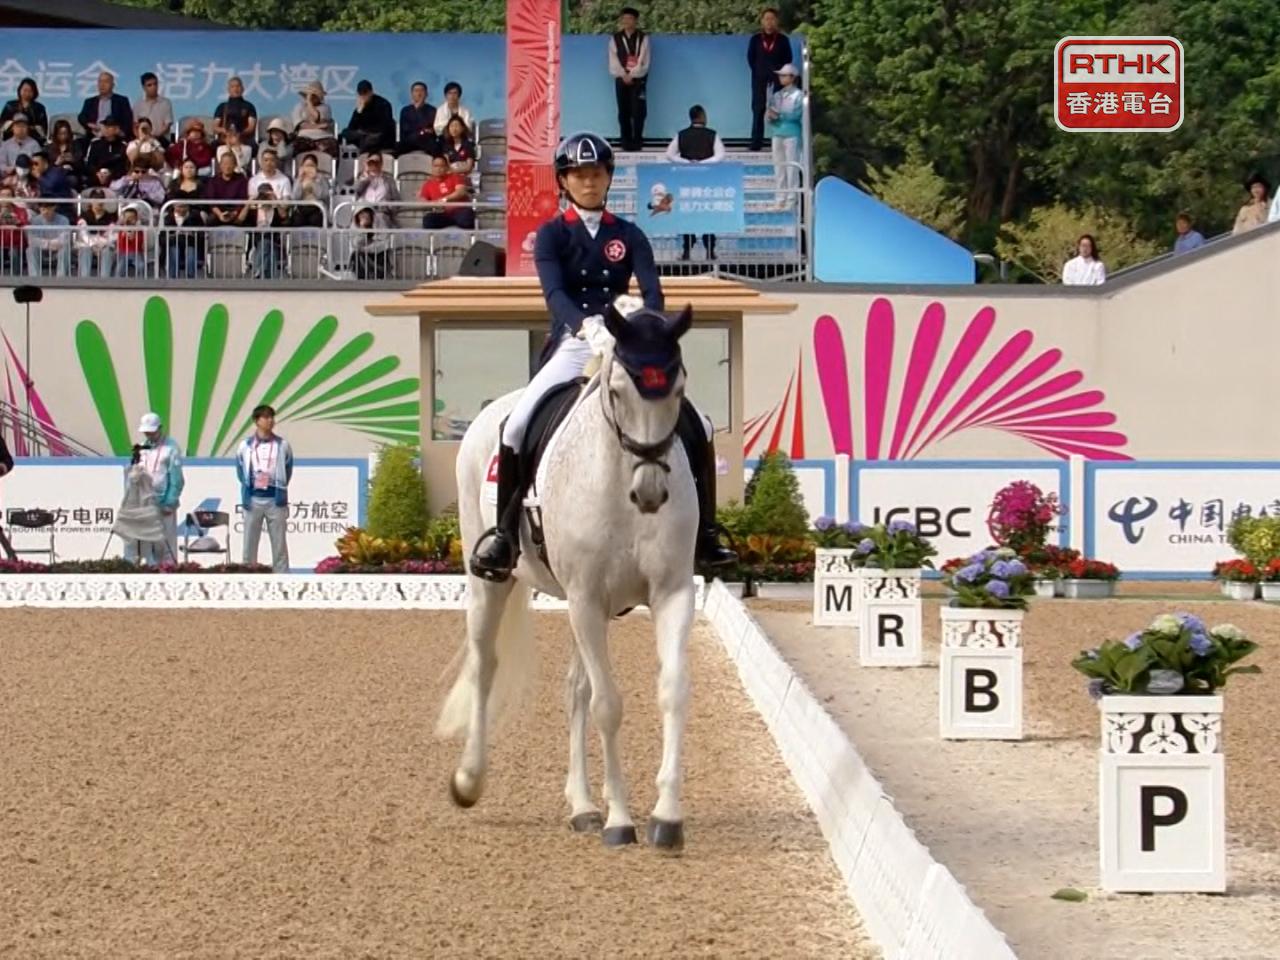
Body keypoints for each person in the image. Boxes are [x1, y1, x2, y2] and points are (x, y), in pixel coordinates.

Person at [469, 131, 737, 581]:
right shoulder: (552, 235)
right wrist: (584, 325)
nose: (589, 182)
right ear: (564, 181)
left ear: (608, 177)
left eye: (596, 174)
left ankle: (706, 535)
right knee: (515, 424)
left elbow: (653, 289)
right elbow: (554, 292)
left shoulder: (629, 234)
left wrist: (646, 326)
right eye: (579, 174)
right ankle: (504, 535)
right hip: (575, 345)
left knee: (701, 423)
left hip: (626, 341)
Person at [236, 404, 293, 573]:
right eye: (266, 417)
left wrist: (279, 487)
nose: (270, 421)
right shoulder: (245, 446)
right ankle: (248, 579)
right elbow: (240, 471)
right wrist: (250, 487)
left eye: (272, 417)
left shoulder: (283, 445)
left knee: (279, 543)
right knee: (249, 543)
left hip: (275, 500)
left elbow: (288, 469)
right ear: (256, 421)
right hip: (252, 499)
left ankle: (282, 581)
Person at [665, 105, 726, 260]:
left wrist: (687, 162)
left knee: (688, 215)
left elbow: (670, 154)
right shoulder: (712, 134)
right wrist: (705, 163)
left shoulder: (682, 135)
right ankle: (710, 251)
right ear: (701, 116)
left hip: (687, 180)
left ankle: (686, 251)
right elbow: (720, 155)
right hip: (708, 180)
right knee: (708, 215)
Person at [127, 412, 184, 565]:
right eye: (146, 432)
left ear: (160, 428)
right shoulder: (142, 448)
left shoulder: (171, 448)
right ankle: (149, 572)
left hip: (163, 501)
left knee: (165, 544)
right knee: (146, 543)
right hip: (145, 502)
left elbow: (177, 479)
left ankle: (169, 574)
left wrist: (170, 502)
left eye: (152, 431)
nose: (149, 434)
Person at [746, 8, 793, 152]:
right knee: (758, 108)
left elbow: (788, 58)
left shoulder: (783, 39)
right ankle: (756, 142)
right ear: (762, 21)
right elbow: (750, 58)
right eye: (766, 19)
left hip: (778, 77)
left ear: (776, 21)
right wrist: (758, 71)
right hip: (759, 76)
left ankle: (781, 140)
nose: (769, 22)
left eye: (772, 18)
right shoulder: (755, 39)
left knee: (778, 109)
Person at [608, 6, 650, 152]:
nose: (627, 21)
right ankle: (625, 142)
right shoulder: (615, 39)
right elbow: (613, 60)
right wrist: (623, 74)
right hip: (621, 79)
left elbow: (644, 61)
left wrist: (632, 74)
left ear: (635, 21)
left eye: (630, 19)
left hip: (638, 79)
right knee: (623, 111)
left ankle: (637, 141)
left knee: (638, 111)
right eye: (624, 19)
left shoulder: (643, 38)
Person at [767, 63, 803, 208]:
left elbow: (797, 114)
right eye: (780, 75)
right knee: (779, 167)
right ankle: (780, 198)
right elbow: (772, 112)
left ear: (792, 77)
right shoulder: (777, 95)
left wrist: (780, 115)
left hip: (792, 133)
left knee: (791, 167)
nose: (780, 78)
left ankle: (791, 199)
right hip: (777, 133)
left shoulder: (799, 95)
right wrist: (770, 116)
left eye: (784, 75)